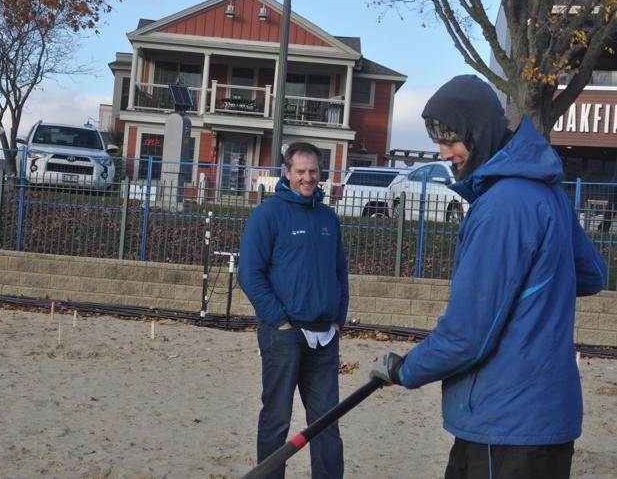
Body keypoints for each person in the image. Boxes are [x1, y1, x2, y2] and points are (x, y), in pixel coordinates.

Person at [370, 75, 606, 479]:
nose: (443, 152)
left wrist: (404, 370)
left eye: (450, 137)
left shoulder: (503, 206)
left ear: (478, 129)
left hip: (507, 424)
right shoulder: (545, 190)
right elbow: (591, 274)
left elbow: (466, 335)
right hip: (542, 421)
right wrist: (537, 290)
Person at [239, 142, 349, 479]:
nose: (307, 178)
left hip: (325, 337)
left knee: (327, 423)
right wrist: (279, 322)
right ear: (286, 173)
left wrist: (339, 318)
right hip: (284, 336)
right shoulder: (267, 216)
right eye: (300, 171)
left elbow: (339, 272)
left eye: (313, 171)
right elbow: (250, 274)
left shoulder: (328, 217)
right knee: (276, 420)